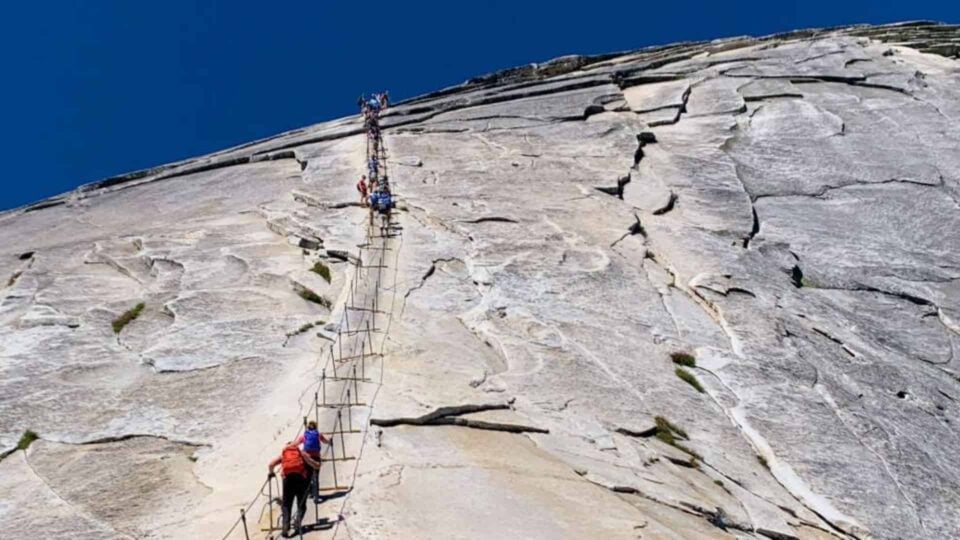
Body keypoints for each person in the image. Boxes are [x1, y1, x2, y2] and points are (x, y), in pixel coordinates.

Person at [268, 441, 322, 538]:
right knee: (301, 504)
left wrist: (271, 473)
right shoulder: (301, 453)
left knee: (286, 505)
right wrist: (318, 464)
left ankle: (285, 526)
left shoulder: (284, 454)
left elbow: (271, 464)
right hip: (301, 479)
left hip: (287, 481)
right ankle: (297, 523)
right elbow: (314, 464)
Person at [295, 421, 331, 503]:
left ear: (308, 427)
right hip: (316, 458)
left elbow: (296, 444)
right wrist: (330, 441)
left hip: (307, 458)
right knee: (316, 477)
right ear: (316, 427)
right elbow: (325, 441)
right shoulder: (318, 434)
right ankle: (316, 496)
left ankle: (310, 493)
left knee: (308, 476)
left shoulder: (304, 435)